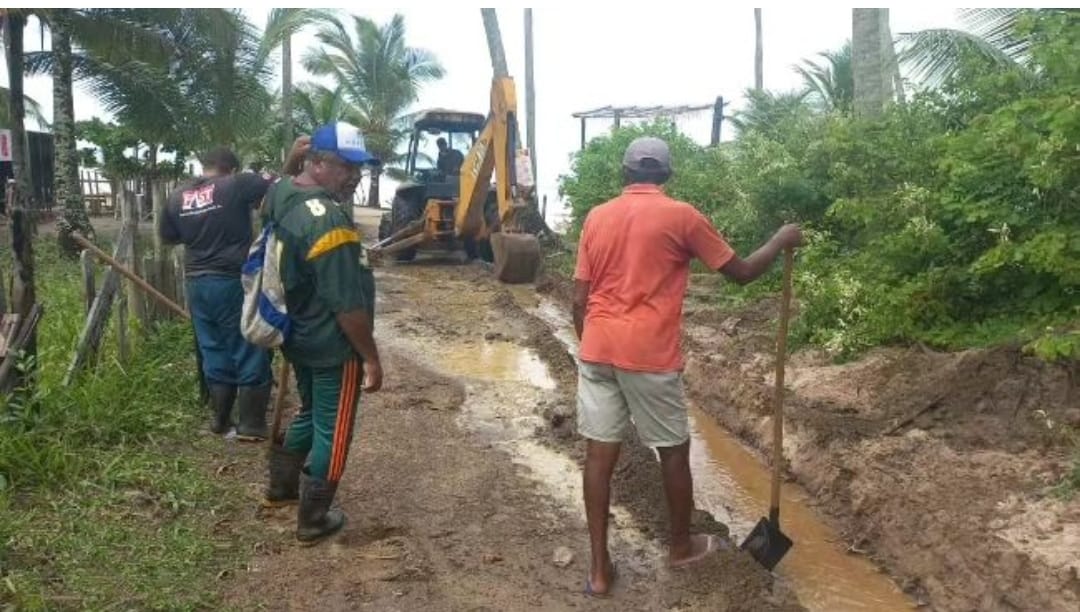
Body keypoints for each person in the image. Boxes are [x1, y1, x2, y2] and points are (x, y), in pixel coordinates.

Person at [572, 136, 803, 595]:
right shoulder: (682, 216)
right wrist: (780, 240)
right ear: (667, 176)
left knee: (599, 458)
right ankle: (681, 547)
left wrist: (597, 346)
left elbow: (579, 298)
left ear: (625, 173)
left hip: (597, 349)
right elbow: (740, 274)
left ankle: (599, 571)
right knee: (673, 451)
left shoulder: (597, 217)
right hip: (649, 355)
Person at [259, 121, 383, 545]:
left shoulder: (283, 194)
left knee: (312, 412)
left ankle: (281, 488)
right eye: (345, 166)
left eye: (357, 168)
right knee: (335, 426)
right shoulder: (330, 223)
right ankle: (313, 518)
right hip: (332, 344)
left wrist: (290, 162)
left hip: (298, 335)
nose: (353, 176)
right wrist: (369, 356)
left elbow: (271, 194)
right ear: (316, 163)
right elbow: (347, 306)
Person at [160, 141, 306, 440]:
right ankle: (251, 425)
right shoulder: (237, 184)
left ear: (205, 165)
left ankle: (220, 421)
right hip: (231, 280)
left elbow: (168, 236)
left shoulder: (177, 195)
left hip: (197, 282)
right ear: (233, 168)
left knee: (213, 347)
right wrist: (292, 157)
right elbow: (280, 187)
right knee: (249, 345)